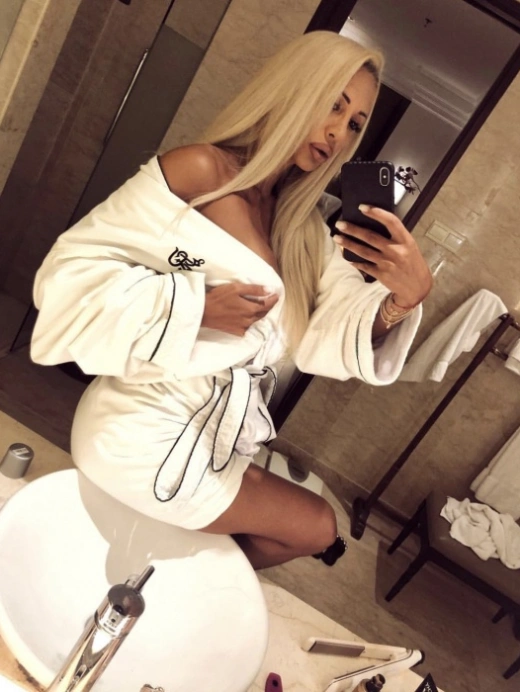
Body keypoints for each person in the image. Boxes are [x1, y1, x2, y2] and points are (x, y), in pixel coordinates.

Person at [30, 31, 432, 570]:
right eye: (332, 105)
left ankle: (158, 583)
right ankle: (161, 584)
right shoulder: (200, 171)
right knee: (318, 526)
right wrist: (194, 307)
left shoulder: (303, 230)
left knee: (301, 529)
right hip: (139, 429)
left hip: (207, 436)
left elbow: (332, 331)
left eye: (355, 123)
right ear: (294, 89)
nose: (338, 132)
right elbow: (67, 274)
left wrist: (402, 299)